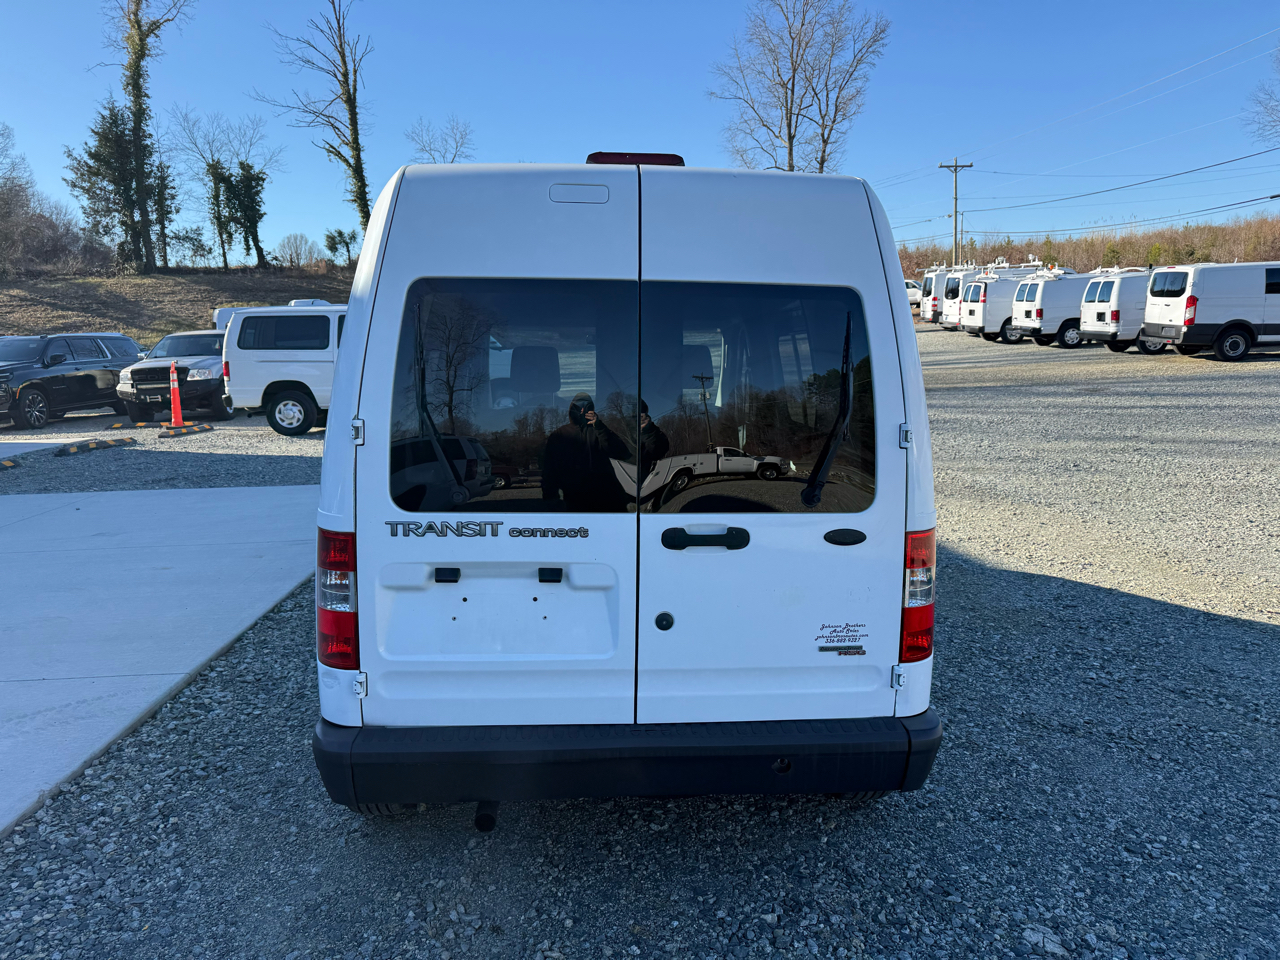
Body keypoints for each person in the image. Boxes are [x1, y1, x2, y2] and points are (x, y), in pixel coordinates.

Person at [541, 392, 633, 511]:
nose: (582, 410)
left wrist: (600, 427)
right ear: (573, 409)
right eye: (579, 406)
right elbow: (549, 469)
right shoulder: (559, 435)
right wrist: (551, 498)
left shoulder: (599, 430)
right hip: (575, 501)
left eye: (587, 407)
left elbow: (622, 453)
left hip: (609, 499)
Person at [638, 400, 670, 480]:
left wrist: (647, 430)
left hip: (643, 479)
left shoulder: (655, 433)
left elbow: (655, 453)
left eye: (641, 414)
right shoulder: (620, 430)